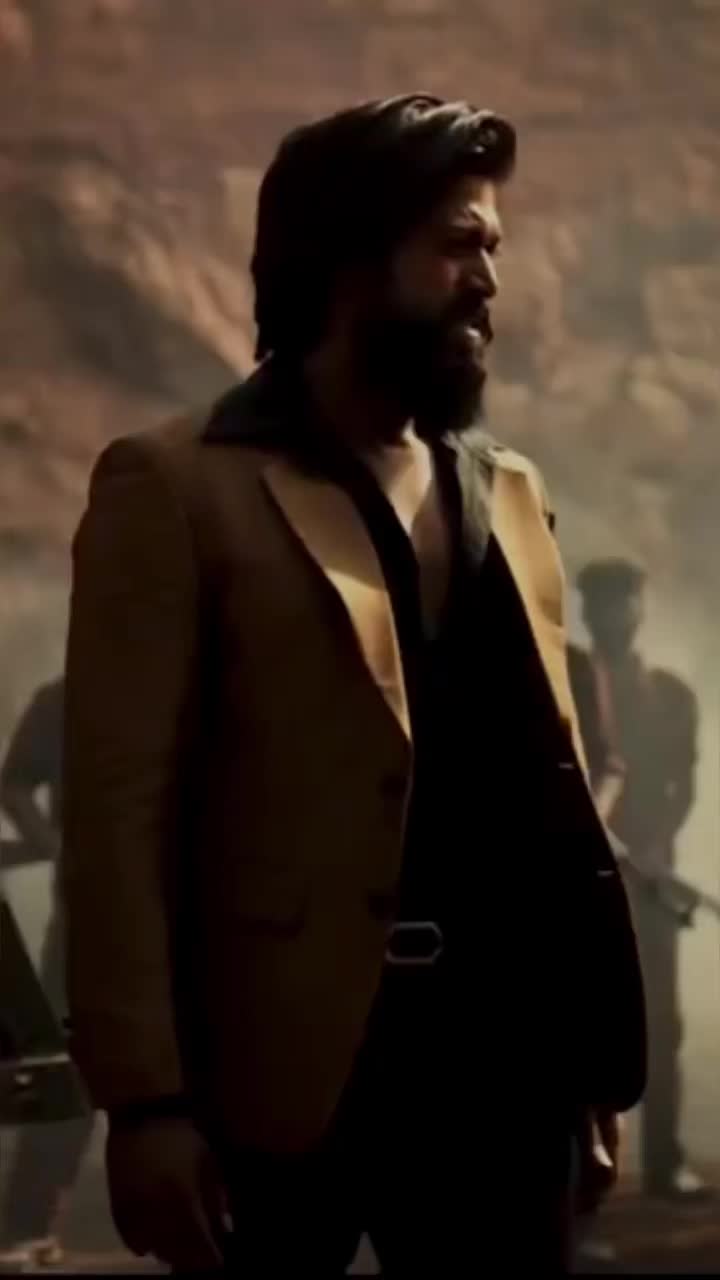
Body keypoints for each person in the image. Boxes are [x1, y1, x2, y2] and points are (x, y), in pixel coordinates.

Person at [61, 95, 646, 1274]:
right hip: (275, 1074)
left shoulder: (510, 491)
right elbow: (117, 817)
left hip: (506, 1062)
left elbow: (546, 791)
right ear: (348, 255)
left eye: (493, 246)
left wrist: (582, 1063)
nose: (488, 279)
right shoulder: (176, 485)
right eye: (458, 243)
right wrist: (145, 1102)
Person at [568, 560, 707, 1201]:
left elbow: (685, 788)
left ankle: (663, 1160)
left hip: (651, 882)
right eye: (602, 601)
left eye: (623, 599)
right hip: (582, 879)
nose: (613, 613)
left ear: (640, 608)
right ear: (586, 609)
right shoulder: (565, 681)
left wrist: (652, 847)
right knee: (583, 1016)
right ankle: (587, 1165)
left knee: (662, 1023)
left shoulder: (672, 697)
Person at [0, 678, 95, 1268]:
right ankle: (26, 1225)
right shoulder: (65, 698)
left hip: (192, 914)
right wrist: (58, 848)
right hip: (89, 915)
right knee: (63, 1065)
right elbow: (13, 784)